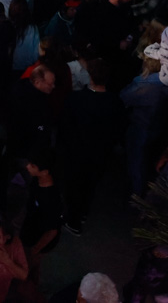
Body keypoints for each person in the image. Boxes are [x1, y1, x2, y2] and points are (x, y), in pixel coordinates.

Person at [58, 59, 124, 236]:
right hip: (100, 155)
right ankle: (82, 213)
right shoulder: (115, 102)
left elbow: (64, 127)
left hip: (76, 153)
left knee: (73, 187)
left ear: (90, 75)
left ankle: (73, 221)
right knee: (90, 185)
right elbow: (118, 130)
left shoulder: (76, 99)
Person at [121, 46, 168, 195]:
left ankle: (137, 199)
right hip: (159, 129)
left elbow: (123, 98)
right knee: (150, 164)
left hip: (140, 129)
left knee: (136, 165)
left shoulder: (142, 85)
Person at [20, 147, 62, 289]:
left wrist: (36, 249)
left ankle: (30, 285)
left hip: (38, 240)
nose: (27, 166)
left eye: (32, 165)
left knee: (32, 264)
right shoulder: (37, 181)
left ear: (44, 171)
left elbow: (52, 231)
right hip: (31, 229)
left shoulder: (51, 199)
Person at [9, 0, 40, 72]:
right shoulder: (33, 29)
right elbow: (36, 53)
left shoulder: (7, 28)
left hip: (11, 69)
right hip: (28, 69)